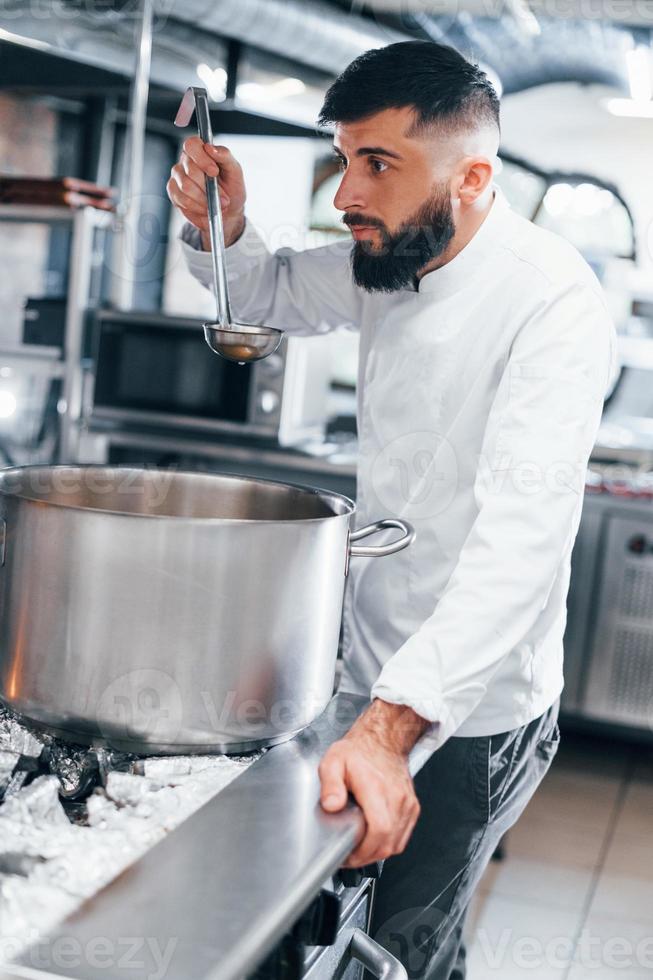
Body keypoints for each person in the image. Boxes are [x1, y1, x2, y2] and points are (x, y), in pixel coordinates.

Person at [167, 40, 616, 979]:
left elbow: (519, 544)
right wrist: (227, 223)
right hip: (366, 674)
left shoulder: (550, 301)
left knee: (406, 950)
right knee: (340, 930)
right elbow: (265, 290)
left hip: (468, 707)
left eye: (376, 164)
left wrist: (390, 724)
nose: (344, 195)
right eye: (343, 158)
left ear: (471, 177)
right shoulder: (390, 256)